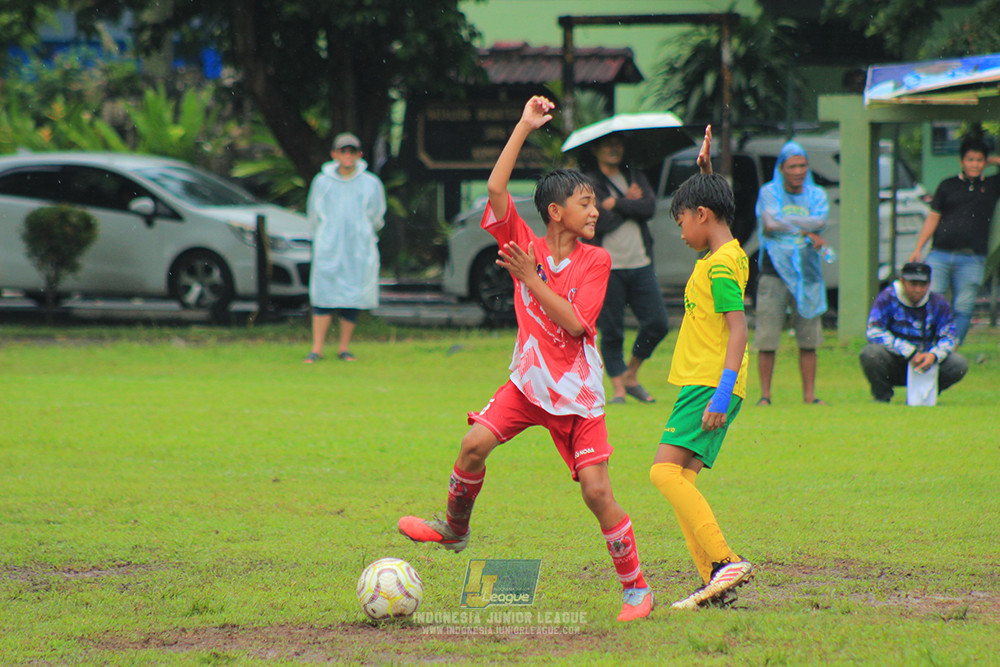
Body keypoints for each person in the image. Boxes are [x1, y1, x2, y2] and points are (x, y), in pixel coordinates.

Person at [398, 96, 653, 622]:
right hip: (528, 385)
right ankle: (455, 530)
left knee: (596, 492)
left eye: (595, 204)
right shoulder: (524, 242)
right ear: (556, 212)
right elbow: (496, 190)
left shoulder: (597, 260)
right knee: (472, 446)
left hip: (579, 395)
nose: (595, 211)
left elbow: (576, 323)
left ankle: (636, 589)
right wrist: (523, 125)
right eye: (586, 203)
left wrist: (530, 279)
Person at [649, 126, 754, 610]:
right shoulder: (728, 253)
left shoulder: (718, 266)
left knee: (662, 473)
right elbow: (715, 214)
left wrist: (721, 392)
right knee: (682, 479)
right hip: (711, 381)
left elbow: (739, 329)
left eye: (682, 221)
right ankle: (715, 578)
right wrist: (705, 174)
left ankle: (725, 560)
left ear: (702, 215)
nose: (681, 232)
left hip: (710, 382)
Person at [584, 134, 669, 404]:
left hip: (640, 262)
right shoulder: (590, 183)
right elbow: (598, 221)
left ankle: (631, 374)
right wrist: (628, 204)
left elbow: (649, 207)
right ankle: (618, 390)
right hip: (607, 267)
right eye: (607, 144)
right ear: (595, 149)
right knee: (612, 329)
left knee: (657, 323)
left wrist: (616, 203)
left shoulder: (635, 176)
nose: (614, 149)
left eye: (617, 144)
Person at [753, 140, 830, 406]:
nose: (798, 171)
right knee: (767, 337)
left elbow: (820, 221)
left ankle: (810, 397)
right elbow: (769, 224)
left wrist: (787, 223)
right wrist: (806, 229)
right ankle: (765, 396)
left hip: (807, 273)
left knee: (809, 338)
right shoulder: (769, 192)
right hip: (773, 271)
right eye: (792, 166)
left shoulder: (817, 194)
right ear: (781, 169)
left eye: (802, 165)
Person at [303, 132, 386, 363]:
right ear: (334, 154)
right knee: (324, 295)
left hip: (358, 247)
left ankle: (344, 347)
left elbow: (377, 216)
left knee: (353, 295)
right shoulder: (322, 182)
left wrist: (362, 234)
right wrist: (325, 238)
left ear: (359, 155)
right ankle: (316, 349)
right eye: (343, 151)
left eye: (352, 151)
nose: (347, 156)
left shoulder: (370, 183)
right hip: (329, 246)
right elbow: (313, 214)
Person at [908, 137, 1000, 345]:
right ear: (961, 161)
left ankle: (949, 349)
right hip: (940, 254)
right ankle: (928, 346)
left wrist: (992, 160)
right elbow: (933, 218)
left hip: (972, 257)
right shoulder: (947, 185)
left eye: (979, 160)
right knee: (932, 302)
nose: (974, 164)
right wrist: (918, 248)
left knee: (963, 307)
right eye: (970, 160)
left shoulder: (992, 185)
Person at [859, 261, 968, 403]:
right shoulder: (887, 297)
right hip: (894, 360)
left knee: (959, 364)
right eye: (913, 284)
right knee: (871, 353)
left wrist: (934, 355)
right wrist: (909, 352)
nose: (918, 290)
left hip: (927, 363)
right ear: (902, 281)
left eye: (923, 284)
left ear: (929, 284)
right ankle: (882, 396)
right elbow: (874, 331)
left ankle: (925, 396)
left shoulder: (938, 302)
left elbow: (949, 336)